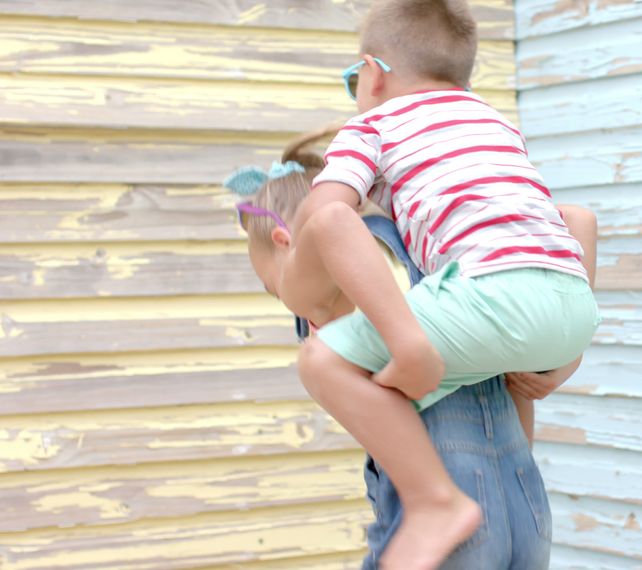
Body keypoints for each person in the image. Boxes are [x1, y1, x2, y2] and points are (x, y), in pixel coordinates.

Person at [224, 118, 597, 568]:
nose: (287, 302)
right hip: (526, 502)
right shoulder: (450, 264)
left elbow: (329, 230)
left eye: (271, 286)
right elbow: (577, 218)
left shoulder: (326, 282)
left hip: (444, 507)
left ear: (286, 242)